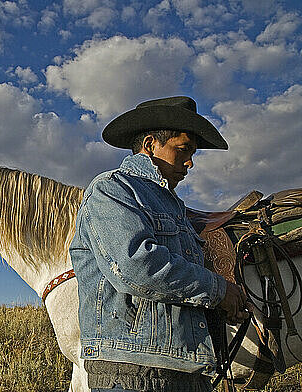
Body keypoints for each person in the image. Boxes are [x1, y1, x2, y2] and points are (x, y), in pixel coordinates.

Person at [69, 96, 251, 392]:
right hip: (133, 373)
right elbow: (134, 265)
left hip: (185, 368)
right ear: (151, 144)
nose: (190, 162)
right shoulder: (112, 189)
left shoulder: (175, 207)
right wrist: (218, 290)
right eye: (184, 150)